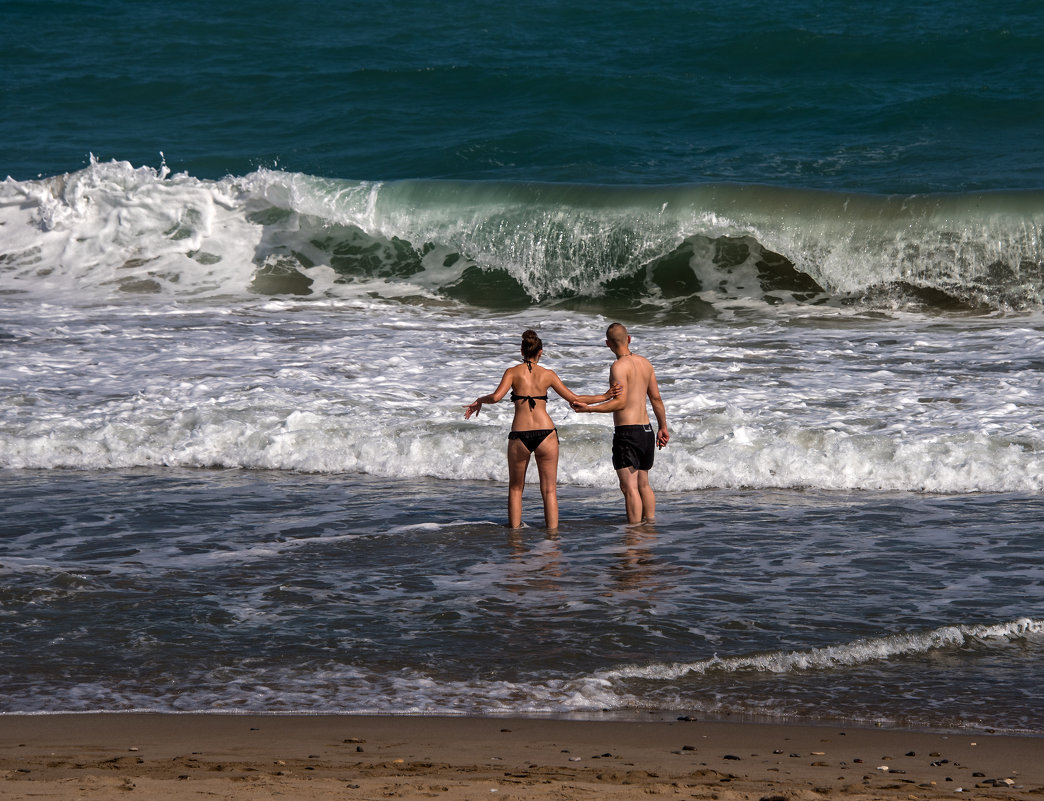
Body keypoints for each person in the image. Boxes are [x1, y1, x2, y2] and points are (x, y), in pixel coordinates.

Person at [464, 329, 619, 530]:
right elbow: (575, 398)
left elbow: (495, 397)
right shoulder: (548, 375)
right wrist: (605, 396)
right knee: (549, 491)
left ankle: (515, 539)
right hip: (546, 433)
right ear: (541, 352)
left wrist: (479, 401)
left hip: (520, 435)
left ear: (522, 350)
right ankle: (552, 540)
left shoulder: (512, 372)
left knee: (515, 489)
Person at [571, 322, 669, 524]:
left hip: (628, 433)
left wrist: (589, 409)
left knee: (629, 488)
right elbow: (656, 399)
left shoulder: (618, 366)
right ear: (629, 339)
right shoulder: (645, 363)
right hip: (647, 431)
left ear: (608, 344)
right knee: (643, 484)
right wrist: (663, 427)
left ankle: (634, 534)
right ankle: (649, 527)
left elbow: (620, 403)